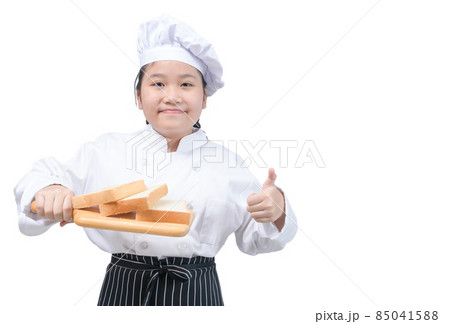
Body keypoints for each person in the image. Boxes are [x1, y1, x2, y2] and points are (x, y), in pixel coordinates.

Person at [13, 14, 297, 306]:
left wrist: (275, 208)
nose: (172, 96)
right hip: (124, 286)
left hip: (197, 290)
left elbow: (258, 240)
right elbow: (41, 175)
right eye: (158, 84)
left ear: (205, 98)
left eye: (186, 85)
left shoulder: (229, 166)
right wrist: (51, 188)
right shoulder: (105, 150)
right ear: (138, 97)